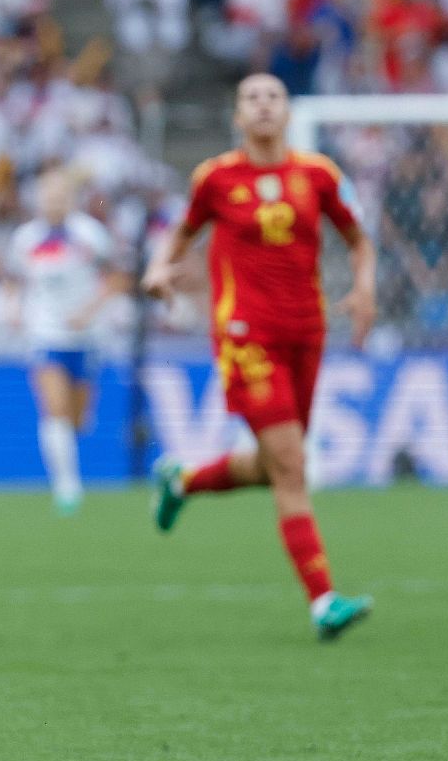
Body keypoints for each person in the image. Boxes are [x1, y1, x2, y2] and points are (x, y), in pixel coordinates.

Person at [142, 73, 376, 641]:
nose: (264, 105)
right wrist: (158, 269)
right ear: (239, 117)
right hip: (246, 336)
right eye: (252, 98)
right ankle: (323, 601)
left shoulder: (318, 174)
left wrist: (365, 287)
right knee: (293, 467)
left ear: (288, 111)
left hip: (307, 332)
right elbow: (181, 235)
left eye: (273, 96)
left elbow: (358, 240)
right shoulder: (217, 178)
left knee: (277, 465)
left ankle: (185, 482)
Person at [6, 170, 126, 515]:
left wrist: (90, 311)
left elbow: (116, 277)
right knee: (53, 408)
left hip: (88, 336)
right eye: (48, 196)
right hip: (46, 333)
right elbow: (13, 280)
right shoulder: (26, 238)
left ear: (70, 199)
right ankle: (67, 486)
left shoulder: (90, 234)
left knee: (78, 420)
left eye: (60, 196)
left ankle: (67, 469)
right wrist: (12, 308)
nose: (53, 202)